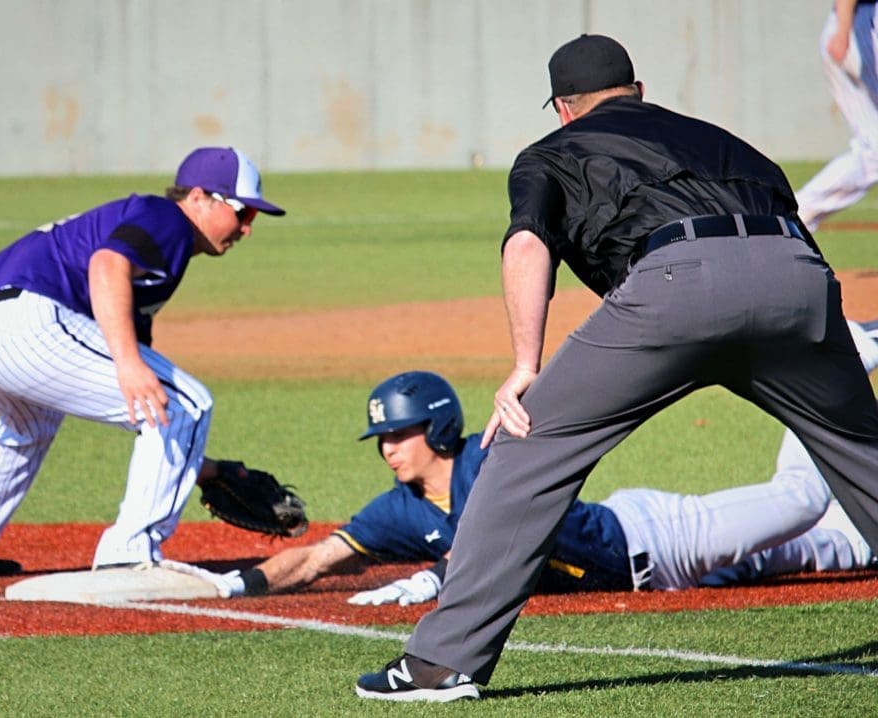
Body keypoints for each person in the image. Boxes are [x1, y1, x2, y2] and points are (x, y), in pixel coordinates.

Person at [356, 34, 878, 703]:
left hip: (678, 287)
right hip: (797, 276)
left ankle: (438, 666)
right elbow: (789, 224)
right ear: (637, 91)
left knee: (525, 443)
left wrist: (524, 366)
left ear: (564, 109)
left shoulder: (553, 151)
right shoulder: (724, 140)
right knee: (862, 454)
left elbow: (525, 245)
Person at [192, 359, 876, 604]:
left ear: (434, 428)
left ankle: (834, 363)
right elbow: (316, 560)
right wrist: (235, 584)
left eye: (397, 435)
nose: (388, 450)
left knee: (800, 500)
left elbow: (497, 539)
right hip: (646, 577)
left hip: (659, 541)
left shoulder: (489, 462)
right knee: (817, 553)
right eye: (382, 440)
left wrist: (438, 576)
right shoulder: (400, 510)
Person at [0, 146, 285, 582]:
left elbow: (144, 409)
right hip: (23, 320)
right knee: (187, 403)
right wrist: (127, 363)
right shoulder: (169, 220)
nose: (246, 228)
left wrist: (207, 472)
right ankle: (130, 555)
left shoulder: (163, 247)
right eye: (243, 213)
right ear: (199, 196)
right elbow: (106, 265)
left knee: (30, 427)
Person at [796, 0, 878, 233]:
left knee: (873, 154)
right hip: (859, 32)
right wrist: (843, 30)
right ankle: (797, 214)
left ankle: (798, 214)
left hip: (855, 30)